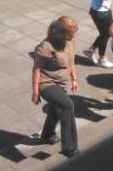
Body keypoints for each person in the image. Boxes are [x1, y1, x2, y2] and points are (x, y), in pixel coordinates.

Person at [32, 16, 80, 157]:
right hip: (46, 83)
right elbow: (36, 70)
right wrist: (35, 92)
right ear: (61, 33)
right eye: (70, 33)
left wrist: (74, 79)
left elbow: (71, 62)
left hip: (61, 84)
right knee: (67, 105)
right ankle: (69, 147)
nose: (73, 36)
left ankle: (47, 135)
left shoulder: (70, 42)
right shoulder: (46, 47)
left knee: (55, 109)